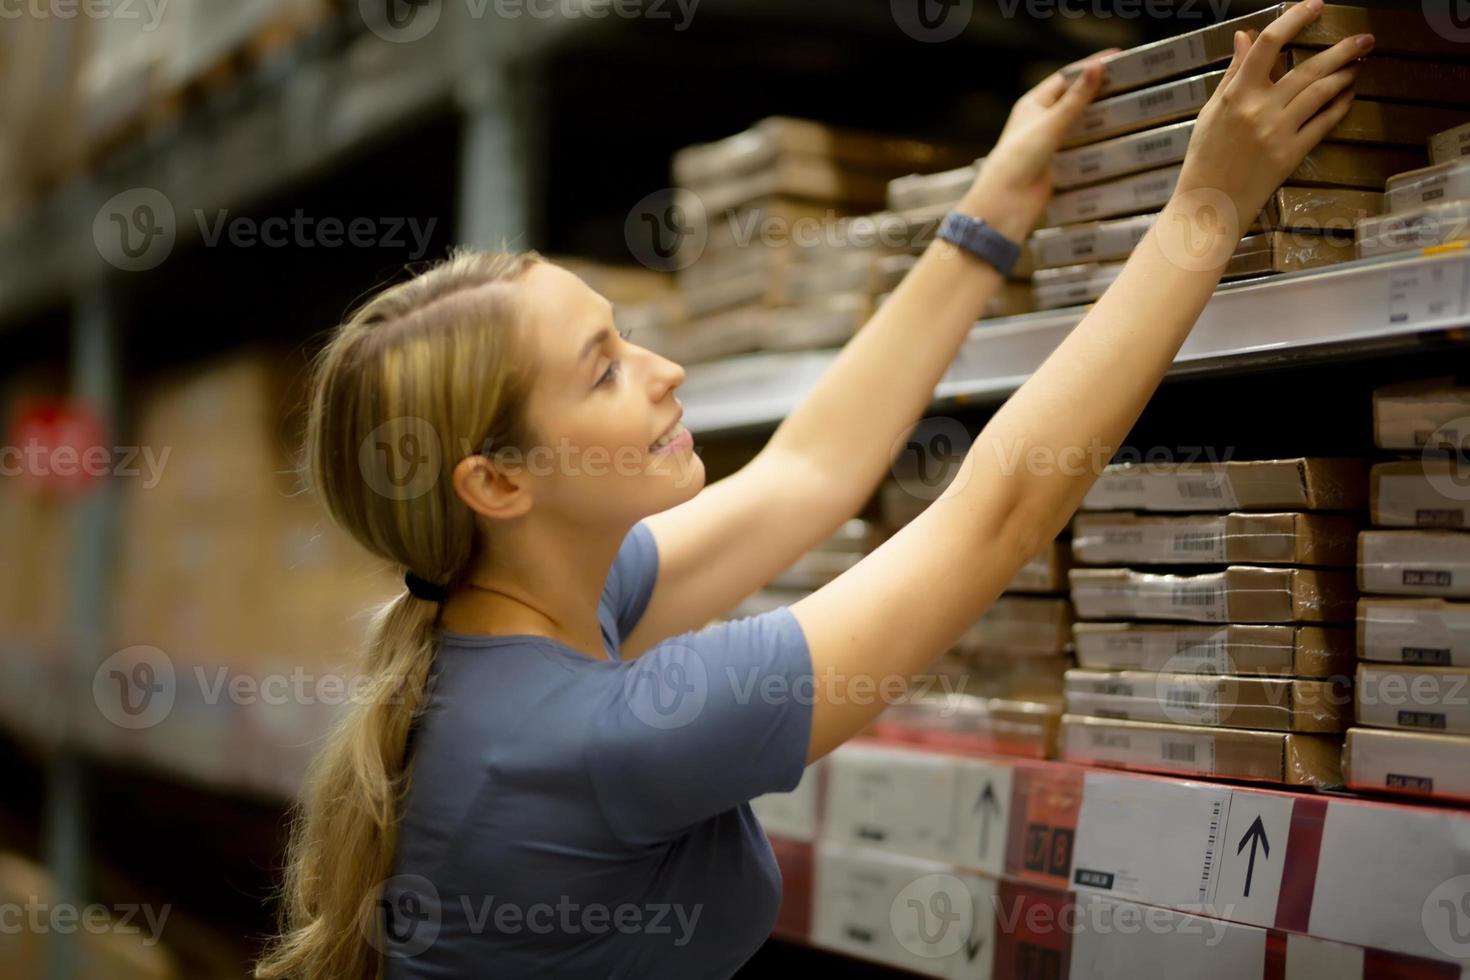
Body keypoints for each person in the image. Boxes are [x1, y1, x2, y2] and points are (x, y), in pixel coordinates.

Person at [254, 4, 1369, 977]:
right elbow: (998, 517)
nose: (665, 370)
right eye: (603, 368)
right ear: (497, 481)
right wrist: (1202, 215)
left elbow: (811, 469)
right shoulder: (607, 733)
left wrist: (986, 219)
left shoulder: (528, 616)